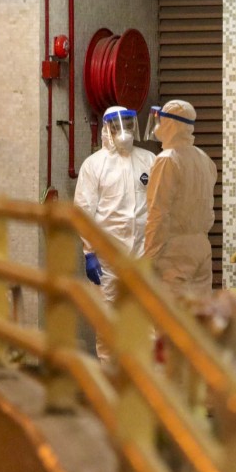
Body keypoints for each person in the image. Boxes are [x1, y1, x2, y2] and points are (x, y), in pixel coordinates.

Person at [74, 106, 156, 363]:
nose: (125, 130)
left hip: (143, 251)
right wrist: (89, 252)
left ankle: (150, 380)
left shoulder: (149, 160)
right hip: (107, 256)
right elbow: (84, 211)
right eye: (118, 125)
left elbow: (159, 205)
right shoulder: (94, 165)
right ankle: (111, 380)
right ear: (107, 130)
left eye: (129, 124)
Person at [142, 100, 217, 301]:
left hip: (174, 251)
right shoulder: (204, 159)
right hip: (201, 246)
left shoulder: (167, 159)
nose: (157, 127)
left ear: (171, 125)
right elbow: (209, 211)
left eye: (161, 121)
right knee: (200, 319)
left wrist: (148, 258)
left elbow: (158, 213)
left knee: (172, 321)